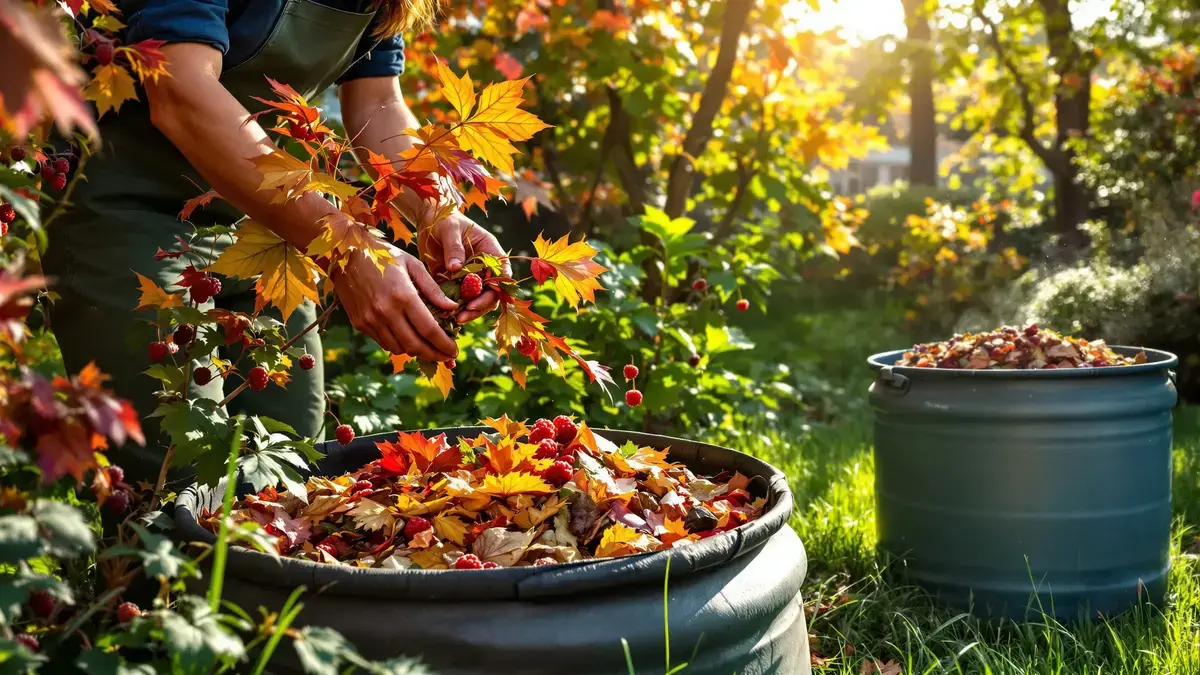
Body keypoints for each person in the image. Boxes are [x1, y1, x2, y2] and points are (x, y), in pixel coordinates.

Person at [43, 0, 507, 482]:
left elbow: (378, 101)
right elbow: (182, 90)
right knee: (177, 480)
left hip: (268, 218)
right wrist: (345, 248)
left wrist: (438, 210)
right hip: (129, 212)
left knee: (291, 475)